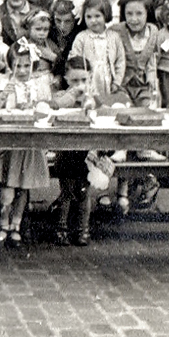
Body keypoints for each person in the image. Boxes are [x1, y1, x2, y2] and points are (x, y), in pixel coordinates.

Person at [0, 39, 52, 248]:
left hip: (27, 142)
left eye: (26, 66)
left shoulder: (36, 86)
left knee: (23, 185)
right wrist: (4, 95)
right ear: (10, 65)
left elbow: (45, 109)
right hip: (7, 141)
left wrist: (36, 105)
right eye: (18, 65)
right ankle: (3, 223)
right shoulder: (2, 83)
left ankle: (16, 225)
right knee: (7, 187)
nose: (22, 70)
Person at [50, 57, 95, 246]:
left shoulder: (90, 98)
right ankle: (61, 229)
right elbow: (57, 105)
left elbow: (96, 117)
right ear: (67, 79)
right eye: (75, 81)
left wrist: (90, 104)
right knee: (67, 191)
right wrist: (73, 95)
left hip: (84, 153)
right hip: (66, 153)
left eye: (84, 80)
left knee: (84, 192)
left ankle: (83, 230)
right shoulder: (62, 95)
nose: (80, 85)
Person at [68, 0, 125, 100]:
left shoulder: (114, 37)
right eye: (88, 17)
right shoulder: (81, 37)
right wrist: (79, 81)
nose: (93, 20)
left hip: (107, 80)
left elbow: (120, 61)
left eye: (97, 16)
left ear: (106, 15)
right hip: (88, 80)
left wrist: (117, 82)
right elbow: (74, 60)